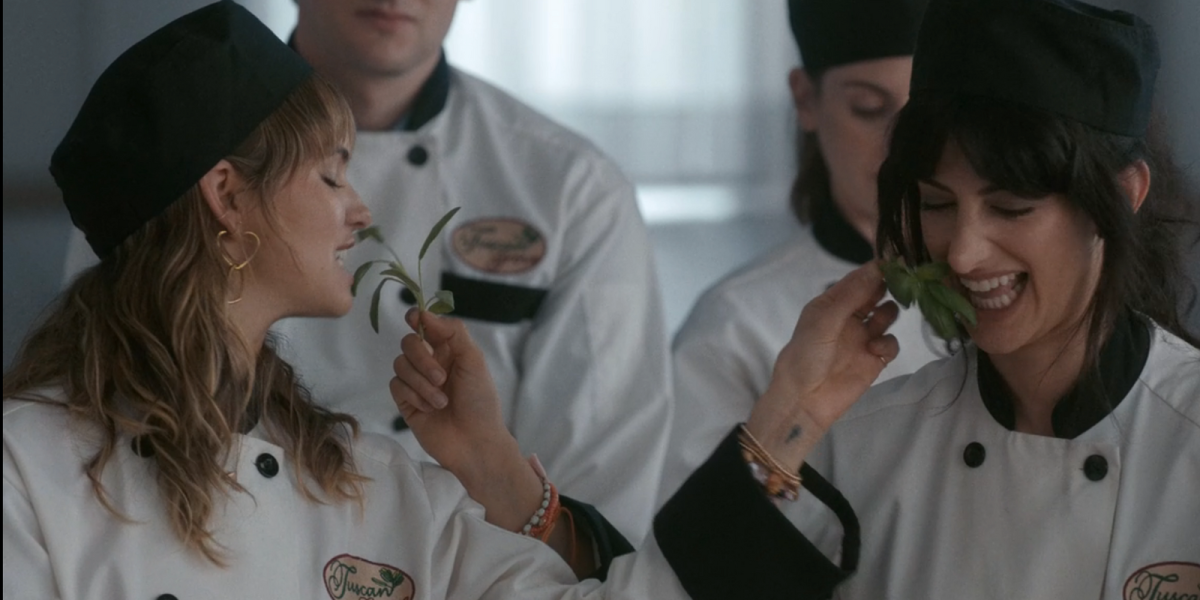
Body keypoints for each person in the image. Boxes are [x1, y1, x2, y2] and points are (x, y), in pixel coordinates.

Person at [3, 3, 900, 598]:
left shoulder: (379, 488)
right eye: (330, 173)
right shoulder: (29, 471)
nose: (362, 210)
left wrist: (786, 418)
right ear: (227, 198)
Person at [732, 0, 1198, 596]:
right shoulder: (864, 445)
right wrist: (784, 418)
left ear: (1123, 194)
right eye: (937, 204)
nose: (962, 253)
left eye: (1011, 207)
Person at [660, 0, 942, 506]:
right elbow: (690, 548)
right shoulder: (735, 323)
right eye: (869, 109)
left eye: (924, 116)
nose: (900, 147)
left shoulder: (1004, 288)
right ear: (806, 99)